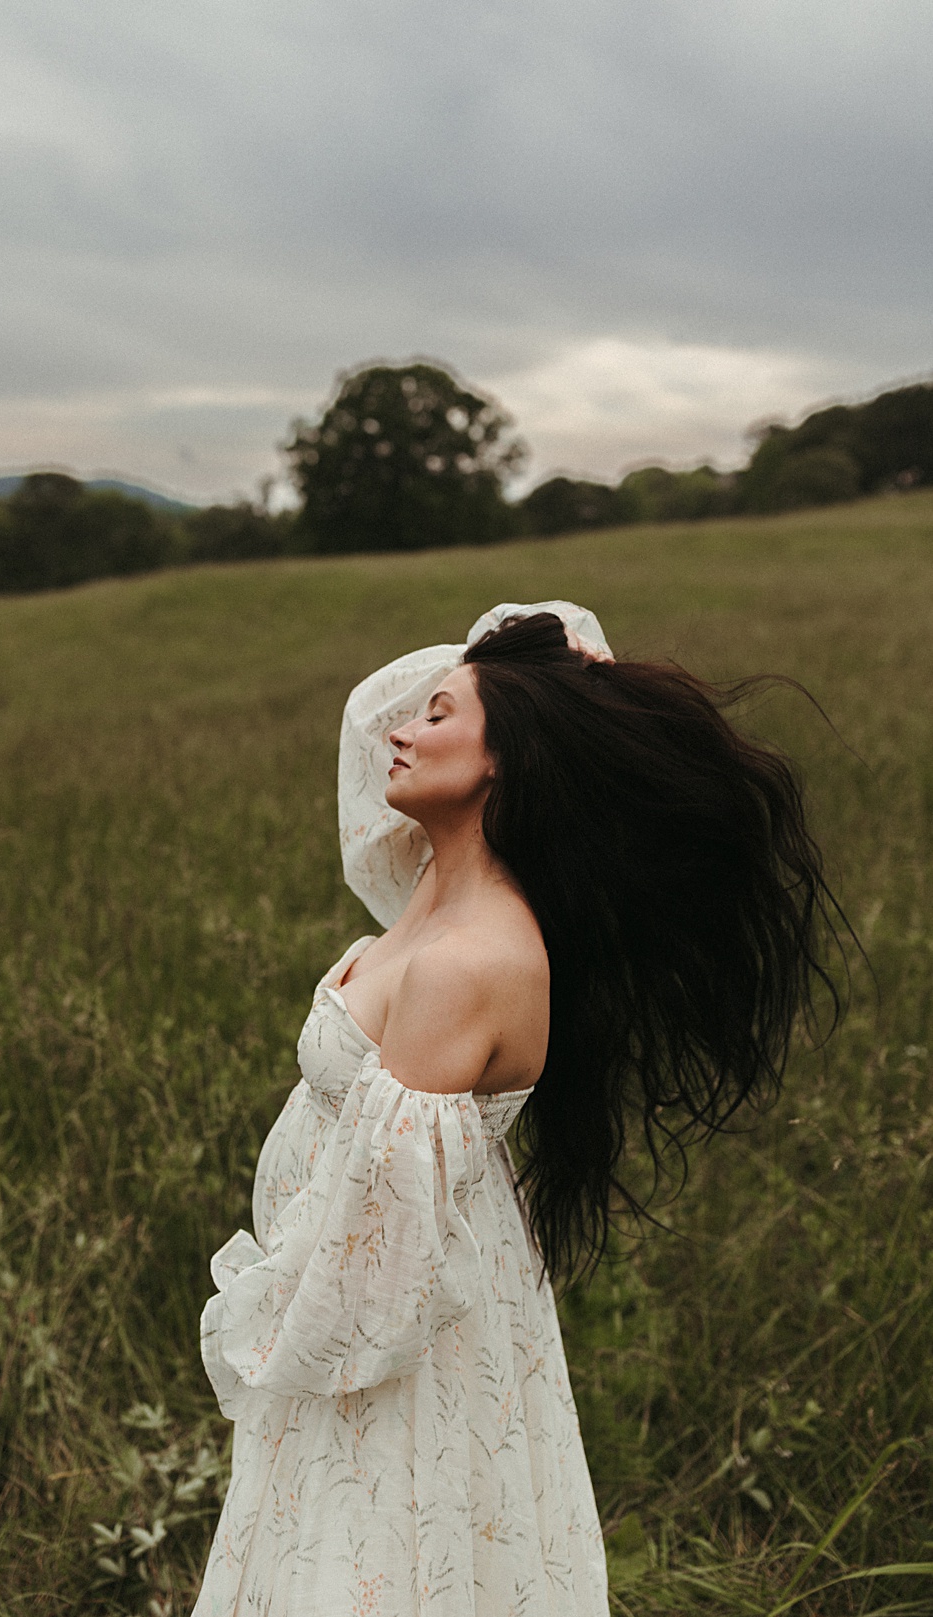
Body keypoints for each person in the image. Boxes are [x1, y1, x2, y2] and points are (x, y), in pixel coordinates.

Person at [191, 602, 842, 1616]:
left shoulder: (471, 959)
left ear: (505, 762)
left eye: (436, 714)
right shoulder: (436, 888)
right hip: (388, 1301)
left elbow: (382, 1252)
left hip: (396, 1335)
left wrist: (269, 1326)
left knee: (377, 1562)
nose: (394, 733)